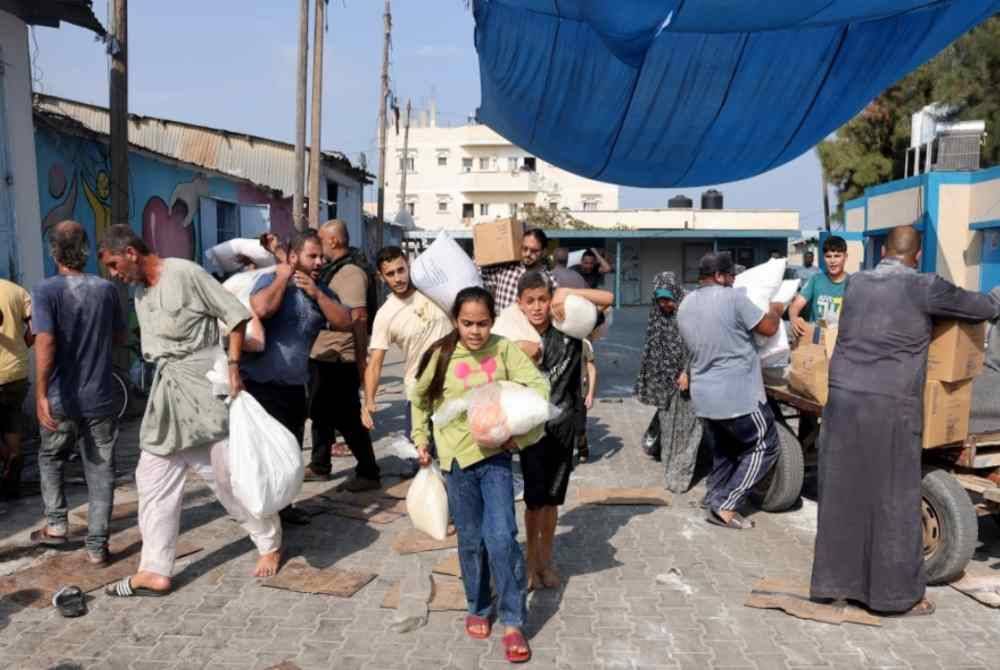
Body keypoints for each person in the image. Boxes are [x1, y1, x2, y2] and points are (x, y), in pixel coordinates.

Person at [810, 225, 1000, 616]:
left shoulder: (857, 284)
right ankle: (896, 598)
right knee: (894, 499)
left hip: (842, 400)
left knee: (843, 495)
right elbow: (982, 307)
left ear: (883, 252)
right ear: (916, 255)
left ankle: (834, 586)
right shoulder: (924, 286)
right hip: (889, 406)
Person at [98, 224, 282, 597]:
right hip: (167, 397)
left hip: (204, 392)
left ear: (131, 252)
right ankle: (154, 569)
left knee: (230, 480)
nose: (115, 275)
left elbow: (235, 316)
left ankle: (270, 543)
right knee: (151, 478)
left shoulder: (185, 273)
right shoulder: (139, 292)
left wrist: (232, 368)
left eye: (115, 265)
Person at [411, 287, 548, 664]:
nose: (475, 331)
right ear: (456, 320)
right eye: (467, 323)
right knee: (471, 541)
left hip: (496, 459)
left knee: (502, 537)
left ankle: (513, 620)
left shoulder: (504, 350)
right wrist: (421, 438)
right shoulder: (440, 354)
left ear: (493, 320)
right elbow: (419, 398)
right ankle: (478, 603)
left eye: (483, 323)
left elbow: (538, 387)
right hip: (456, 463)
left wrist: (518, 429)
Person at [30, 221, 126, 564]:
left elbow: (45, 341)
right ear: (85, 251)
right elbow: (119, 338)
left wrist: (40, 393)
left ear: (53, 250)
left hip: (60, 396)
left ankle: (57, 525)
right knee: (100, 471)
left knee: (52, 458)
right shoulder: (106, 290)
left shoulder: (45, 291)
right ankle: (97, 546)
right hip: (99, 396)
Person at [242, 230, 352, 526]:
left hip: (294, 386)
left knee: (290, 454)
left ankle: (284, 507)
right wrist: (283, 276)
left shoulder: (322, 291)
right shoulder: (272, 281)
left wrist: (316, 293)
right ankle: (262, 515)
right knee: (262, 455)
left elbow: (345, 322)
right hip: (259, 385)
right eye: (311, 256)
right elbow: (261, 308)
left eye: (321, 257)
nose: (318, 262)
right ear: (294, 256)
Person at [516, 273, 613, 590]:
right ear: (520, 304)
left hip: (563, 427)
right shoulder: (515, 337)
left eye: (543, 299)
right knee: (533, 503)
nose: (537, 307)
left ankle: (546, 562)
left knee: (553, 501)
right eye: (530, 301)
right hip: (530, 431)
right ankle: (530, 564)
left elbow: (608, 299)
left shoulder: (569, 330)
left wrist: (567, 291)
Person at [677, 251, 784, 530]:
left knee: (725, 449)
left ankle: (713, 496)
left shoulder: (685, 304)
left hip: (704, 395)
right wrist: (776, 308)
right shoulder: (734, 298)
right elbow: (769, 328)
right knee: (765, 444)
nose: (735, 280)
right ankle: (726, 506)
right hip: (739, 394)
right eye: (731, 276)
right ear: (719, 276)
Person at [306, 220, 381, 491]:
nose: (318, 249)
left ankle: (369, 471)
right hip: (324, 354)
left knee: (347, 417)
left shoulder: (350, 273)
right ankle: (320, 464)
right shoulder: (331, 270)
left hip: (340, 357)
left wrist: (362, 364)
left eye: (322, 242)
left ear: (334, 242)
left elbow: (358, 319)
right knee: (321, 414)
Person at [362, 246, 453, 439]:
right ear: (381, 277)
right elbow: (375, 363)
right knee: (421, 456)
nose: (397, 278)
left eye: (401, 270)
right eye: (390, 274)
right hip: (419, 391)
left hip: (454, 383)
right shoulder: (385, 315)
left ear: (408, 266)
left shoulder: (434, 290)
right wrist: (369, 400)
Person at [635, 272, 703, 493]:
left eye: (668, 299)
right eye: (660, 300)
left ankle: (680, 474)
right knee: (667, 424)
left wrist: (687, 372)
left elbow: (700, 345)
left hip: (688, 380)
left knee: (687, 429)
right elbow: (653, 347)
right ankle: (669, 464)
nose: (665, 304)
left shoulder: (690, 311)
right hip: (666, 382)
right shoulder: (658, 315)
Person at [0, 275, 33, 501]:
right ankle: (14, 458)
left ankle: (7, 463)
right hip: (17, 371)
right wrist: (23, 345)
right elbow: (36, 326)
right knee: (12, 420)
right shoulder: (17, 291)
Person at [480, 228, 557, 311]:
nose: (528, 254)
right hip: (502, 322)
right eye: (525, 248)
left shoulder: (550, 280)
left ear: (544, 252)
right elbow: (483, 276)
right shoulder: (505, 268)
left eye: (534, 251)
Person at [790, 236, 849, 336]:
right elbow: (795, 306)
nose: (832, 261)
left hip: (842, 340)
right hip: (816, 339)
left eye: (837, 256)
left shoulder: (853, 283)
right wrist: (793, 318)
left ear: (845, 257)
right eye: (828, 256)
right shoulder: (816, 280)